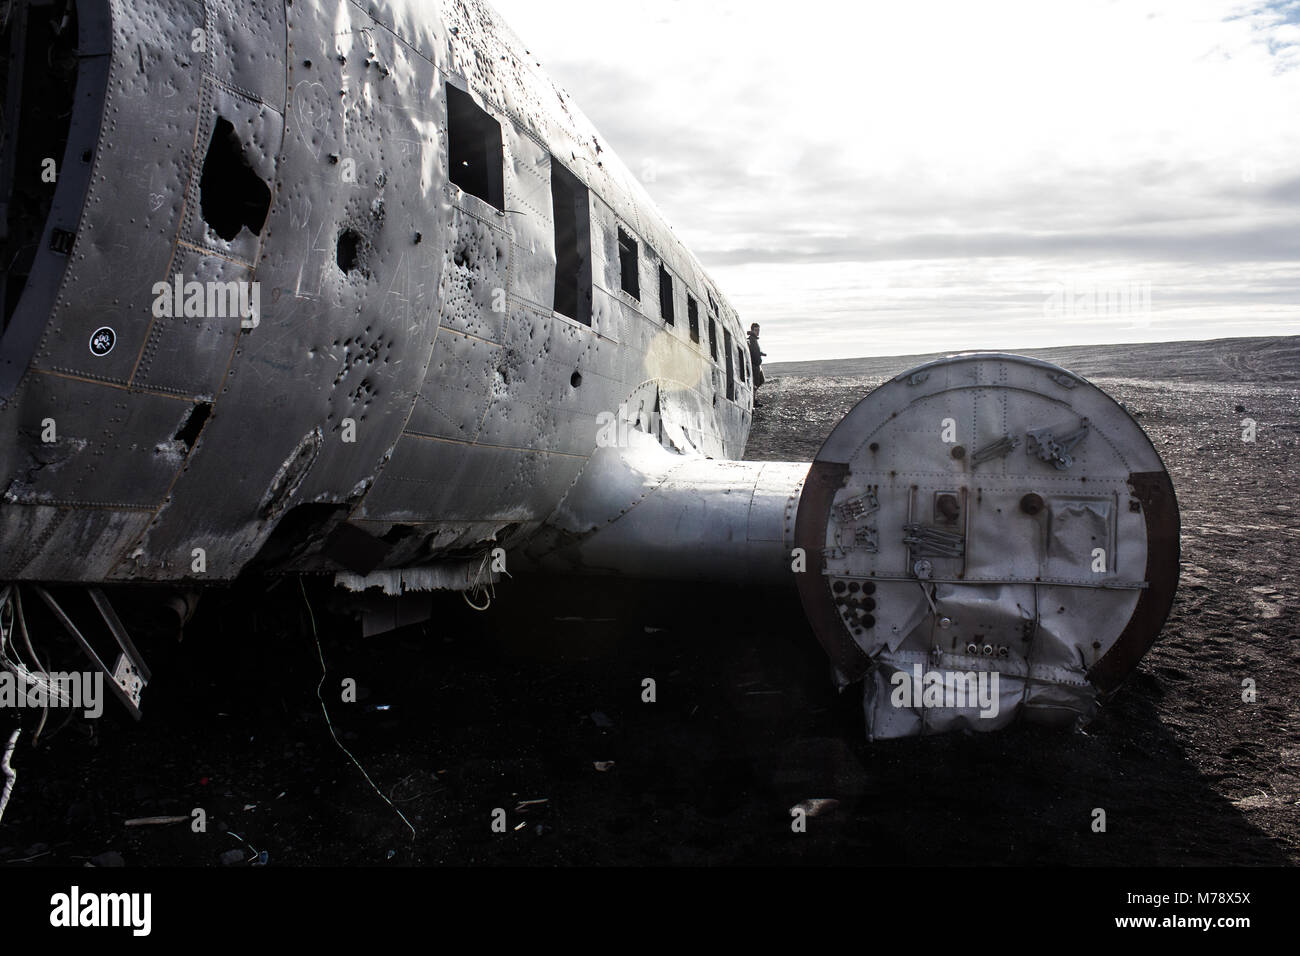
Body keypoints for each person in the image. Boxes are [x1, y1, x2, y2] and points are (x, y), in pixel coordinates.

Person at [747, 323, 766, 405]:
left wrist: (761, 353)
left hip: (757, 364)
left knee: (760, 381)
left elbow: (755, 351)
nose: (758, 332)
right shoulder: (752, 339)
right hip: (754, 364)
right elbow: (752, 352)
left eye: (758, 330)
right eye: (756, 330)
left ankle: (753, 400)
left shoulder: (753, 339)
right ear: (752, 330)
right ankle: (753, 401)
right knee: (755, 383)